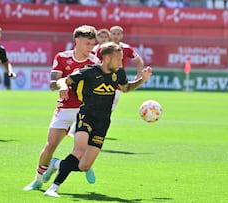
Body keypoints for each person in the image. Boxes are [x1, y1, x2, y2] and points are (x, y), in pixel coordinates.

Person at [43, 42, 152, 198]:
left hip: (103, 122)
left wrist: (142, 80)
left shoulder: (119, 73)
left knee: (85, 166)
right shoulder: (89, 72)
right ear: (107, 58)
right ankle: (53, 187)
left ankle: (57, 164)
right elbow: (63, 80)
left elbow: (126, 88)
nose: (121, 62)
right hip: (86, 116)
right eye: (118, 58)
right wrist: (62, 87)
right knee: (79, 150)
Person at [23, 25, 100, 191]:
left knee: (81, 149)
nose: (90, 48)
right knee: (50, 146)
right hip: (64, 109)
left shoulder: (94, 62)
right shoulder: (62, 58)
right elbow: (52, 84)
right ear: (77, 41)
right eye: (87, 44)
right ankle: (37, 180)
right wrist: (62, 85)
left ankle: (80, 162)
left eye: (92, 44)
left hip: (84, 110)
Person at [96, 25, 145, 111]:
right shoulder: (103, 48)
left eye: (118, 34)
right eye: (114, 34)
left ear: (122, 35)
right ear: (110, 35)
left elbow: (139, 60)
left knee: (110, 109)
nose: (116, 36)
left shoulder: (126, 48)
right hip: (102, 82)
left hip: (118, 83)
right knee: (98, 108)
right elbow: (95, 63)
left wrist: (139, 74)